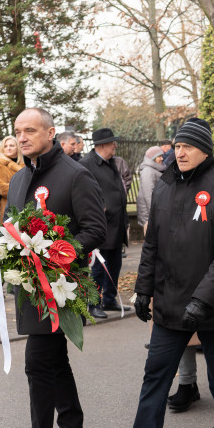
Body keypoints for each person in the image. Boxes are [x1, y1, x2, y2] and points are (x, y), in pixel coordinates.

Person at [116, 117, 214, 428]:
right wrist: (143, 289)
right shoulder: (165, 186)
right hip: (170, 299)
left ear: (205, 150)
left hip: (212, 304)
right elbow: (153, 243)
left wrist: (202, 300)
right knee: (155, 373)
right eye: (177, 145)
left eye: (188, 146)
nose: (180, 152)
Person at [0, 107, 107, 428]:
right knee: (53, 362)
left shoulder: (76, 175)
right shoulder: (19, 179)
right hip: (29, 288)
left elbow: (96, 230)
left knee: (38, 364)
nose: (22, 137)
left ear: (50, 133)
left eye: (30, 130)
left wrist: (57, 255)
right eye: (18, 131)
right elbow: (6, 234)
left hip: (60, 288)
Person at [82, 127, 130, 319]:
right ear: (102, 145)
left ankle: (109, 299)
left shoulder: (110, 162)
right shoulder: (86, 163)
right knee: (98, 267)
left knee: (115, 264)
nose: (115, 146)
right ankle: (93, 303)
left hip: (117, 223)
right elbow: (84, 191)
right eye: (112, 143)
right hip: (101, 224)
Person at [0, 135, 24, 222]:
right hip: (9, 207)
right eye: (5, 146)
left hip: (25, 205)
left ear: (17, 147)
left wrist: (12, 185)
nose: (8, 148)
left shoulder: (25, 164)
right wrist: (24, 187)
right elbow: (2, 189)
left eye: (12, 146)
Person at [136, 146, 166, 231]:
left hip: (154, 211)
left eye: (162, 156)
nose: (162, 158)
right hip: (149, 213)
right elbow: (148, 194)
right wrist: (154, 214)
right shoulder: (148, 171)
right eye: (159, 156)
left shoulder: (155, 169)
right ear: (153, 158)